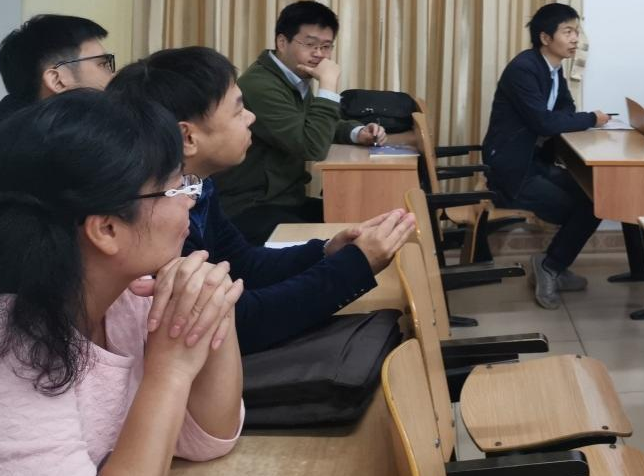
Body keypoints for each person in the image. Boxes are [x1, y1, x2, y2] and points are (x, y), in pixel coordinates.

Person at [0, 89, 243, 476]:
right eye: (176, 188)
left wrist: (212, 306)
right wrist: (170, 372)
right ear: (106, 229)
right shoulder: (4, 345)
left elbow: (206, 439)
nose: (191, 200)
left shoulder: (127, 295)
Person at [109, 47, 417, 353]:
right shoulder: (156, 214)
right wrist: (355, 265)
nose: (251, 117)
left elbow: (243, 265)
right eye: (238, 110)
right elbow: (242, 321)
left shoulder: (196, 186)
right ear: (188, 138)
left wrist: (327, 251)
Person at [214, 1, 388, 244]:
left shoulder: (291, 78)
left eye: (326, 46)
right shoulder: (261, 85)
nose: (319, 54)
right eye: (310, 44)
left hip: (284, 200)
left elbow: (313, 123)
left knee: (362, 217)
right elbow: (311, 146)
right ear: (282, 42)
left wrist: (358, 132)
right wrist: (328, 85)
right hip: (250, 206)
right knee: (348, 239)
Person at [482, 3, 610, 310]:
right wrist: (591, 119)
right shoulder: (524, 69)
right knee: (588, 208)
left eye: (576, 31)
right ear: (545, 37)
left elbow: (565, 109)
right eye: (567, 31)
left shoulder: (553, 69)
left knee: (598, 197)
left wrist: (567, 118)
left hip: (535, 162)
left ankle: (553, 264)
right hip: (512, 169)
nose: (575, 38)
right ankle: (551, 267)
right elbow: (544, 122)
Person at [0, 14, 115, 168]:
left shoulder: (1, 143)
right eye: (103, 64)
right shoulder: (64, 153)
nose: (113, 75)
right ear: (56, 80)